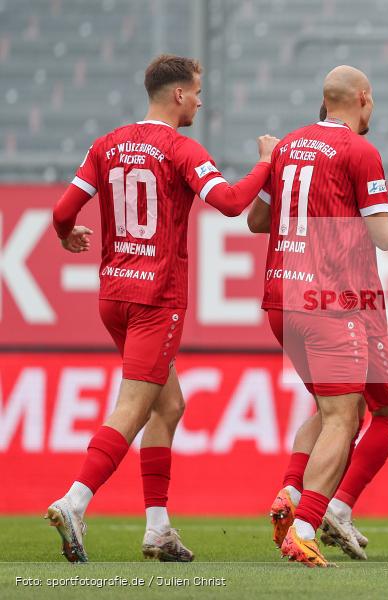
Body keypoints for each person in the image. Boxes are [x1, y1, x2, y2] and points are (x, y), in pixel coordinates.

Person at [47, 54, 278, 563]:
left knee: (169, 405)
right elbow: (234, 203)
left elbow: (63, 211)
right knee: (132, 407)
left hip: (114, 295)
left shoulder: (106, 144)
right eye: (197, 91)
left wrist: (67, 235)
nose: (200, 99)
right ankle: (75, 501)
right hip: (156, 299)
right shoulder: (181, 148)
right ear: (178, 95)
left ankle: (157, 528)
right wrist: (267, 160)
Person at [249, 65, 388, 567]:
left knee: (334, 409)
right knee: (353, 415)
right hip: (334, 303)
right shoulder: (359, 151)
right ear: (363, 98)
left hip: (281, 302)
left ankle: (292, 495)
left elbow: (255, 220)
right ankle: (311, 521)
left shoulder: (288, 146)